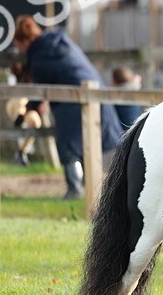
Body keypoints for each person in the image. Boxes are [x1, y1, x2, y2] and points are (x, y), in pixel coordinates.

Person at [11, 16, 123, 199]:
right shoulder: (58, 41)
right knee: (89, 142)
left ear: (26, 41)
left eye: (20, 46)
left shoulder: (40, 57)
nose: (21, 50)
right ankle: (93, 189)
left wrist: (25, 113)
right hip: (94, 90)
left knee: (68, 144)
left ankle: (74, 189)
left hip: (72, 99)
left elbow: (40, 92)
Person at [111, 65, 144, 130]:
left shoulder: (115, 96)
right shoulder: (135, 89)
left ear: (114, 81)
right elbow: (137, 80)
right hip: (134, 132)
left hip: (121, 133)